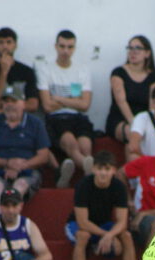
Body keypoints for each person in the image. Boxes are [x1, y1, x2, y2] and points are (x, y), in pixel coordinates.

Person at [65, 151, 135, 260]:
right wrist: (108, 236)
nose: (103, 173)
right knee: (83, 236)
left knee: (126, 236)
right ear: (93, 169)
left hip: (103, 224)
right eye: (100, 169)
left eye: (107, 169)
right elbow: (82, 222)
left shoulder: (119, 187)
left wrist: (110, 234)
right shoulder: (83, 185)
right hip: (76, 225)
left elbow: (122, 222)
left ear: (114, 170)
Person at [36, 30, 95, 188]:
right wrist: (73, 100)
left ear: (74, 48)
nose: (66, 51)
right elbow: (47, 106)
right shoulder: (45, 69)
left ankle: (74, 175)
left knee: (86, 145)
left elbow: (85, 105)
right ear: (56, 46)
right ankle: (90, 171)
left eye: (70, 47)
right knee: (71, 142)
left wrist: (59, 98)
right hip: (57, 119)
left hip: (78, 117)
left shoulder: (82, 69)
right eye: (62, 46)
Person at [0, 84, 51, 212]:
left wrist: (21, 167)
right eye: (6, 101)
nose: (9, 104)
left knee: (20, 185)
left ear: (23, 104)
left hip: (28, 170)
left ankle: (12, 222)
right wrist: (7, 163)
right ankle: (0, 224)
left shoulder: (35, 123)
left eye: (14, 101)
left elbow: (44, 155)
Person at [105, 35, 155, 145]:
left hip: (144, 120)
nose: (133, 52)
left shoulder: (153, 77)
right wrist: (135, 125)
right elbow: (121, 101)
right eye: (130, 48)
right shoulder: (118, 72)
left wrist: (147, 125)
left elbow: (152, 106)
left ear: (147, 53)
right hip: (121, 119)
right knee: (133, 134)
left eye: (138, 48)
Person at [0, 27, 39, 116]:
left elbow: (33, 105)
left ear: (15, 45)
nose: (5, 46)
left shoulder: (27, 71)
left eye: (9, 42)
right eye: (1, 42)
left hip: (21, 119)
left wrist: (1, 110)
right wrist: (4, 72)